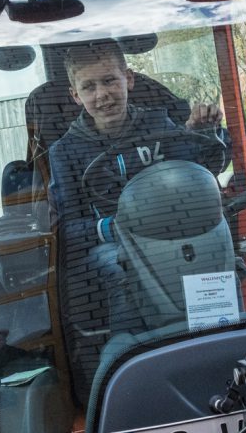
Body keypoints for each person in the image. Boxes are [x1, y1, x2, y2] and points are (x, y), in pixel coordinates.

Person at [47, 41, 226, 397]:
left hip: (173, 240)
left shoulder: (158, 124)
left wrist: (203, 134)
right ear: (75, 95)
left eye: (110, 81)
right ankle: (133, 375)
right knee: (120, 269)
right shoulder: (65, 152)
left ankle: (219, 353)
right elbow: (68, 228)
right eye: (90, 87)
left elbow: (203, 177)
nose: (103, 95)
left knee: (218, 252)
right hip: (113, 247)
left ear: (128, 79)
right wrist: (116, 227)